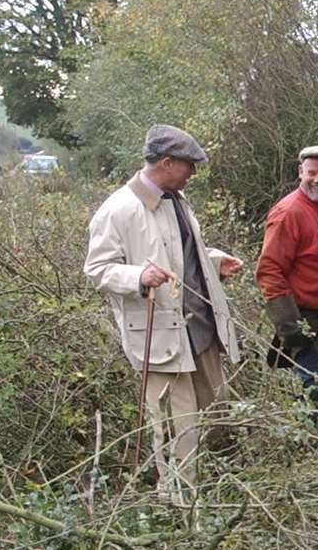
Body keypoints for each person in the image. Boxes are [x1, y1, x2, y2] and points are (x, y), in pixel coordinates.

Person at [84, 123, 244, 504]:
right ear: (167, 162)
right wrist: (139, 275)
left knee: (215, 414)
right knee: (177, 427)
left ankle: (214, 493)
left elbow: (180, 257)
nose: (193, 172)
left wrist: (214, 262)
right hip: (159, 339)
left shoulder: (177, 200)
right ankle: (178, 503)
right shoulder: (118, 209)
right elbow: (97, 269)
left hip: (200, 331)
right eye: (189, 165)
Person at [255, 145, 318, 404]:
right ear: (300, 172)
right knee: (316, 389)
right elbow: (269, 270)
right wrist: (289, 325)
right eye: (312, 173)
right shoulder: (289, 212)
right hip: (307, 316)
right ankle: (311, 443)